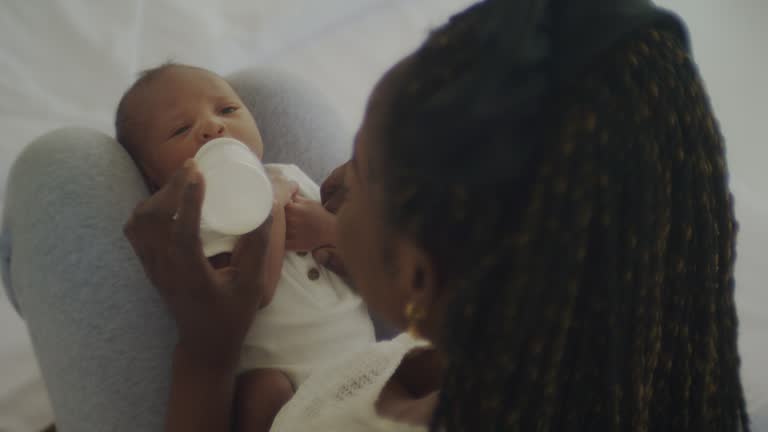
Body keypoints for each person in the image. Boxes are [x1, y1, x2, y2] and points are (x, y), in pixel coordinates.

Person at [2, 0, 752, 430]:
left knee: (59, 166)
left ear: (417, 273)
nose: (330, 179)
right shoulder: (547, 355)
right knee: (267, 90)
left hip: (243, 375)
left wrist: (205, 350)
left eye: (360, 173)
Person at [113, 63, 376, 431]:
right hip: (296, 392)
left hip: (367, 362)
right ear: (154, 178)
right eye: (180, 129)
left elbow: (360, 259)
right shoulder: (193, 222)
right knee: (259, 391)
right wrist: (271, 208)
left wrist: (331, 230)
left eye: (228, 110)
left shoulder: (288, 174)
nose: (213, 127)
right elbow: (255, 291)